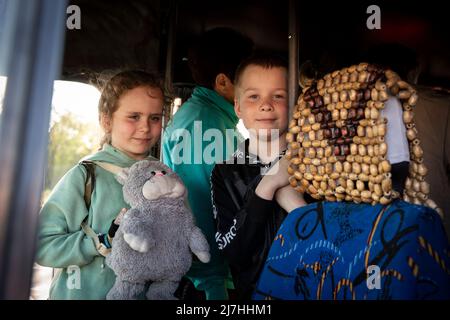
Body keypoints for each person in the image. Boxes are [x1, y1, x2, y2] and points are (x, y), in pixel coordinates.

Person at [36, 70, 166, 299]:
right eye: (133, 116)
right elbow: (42, 245)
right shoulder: (85, 176)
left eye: (154, 118)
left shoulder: (165, 179)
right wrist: (98, 243)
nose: (145, 127)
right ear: (106, 121)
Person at [162, 28, 253, 300]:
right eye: (249, 79)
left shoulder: (198, 116)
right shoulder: (208, 127)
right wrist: (215, 281)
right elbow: (201, 206)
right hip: (208, 282)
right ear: (223, 82)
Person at [211, 53, 307, 299]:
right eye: (254, 96)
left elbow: (332, 241)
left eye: (278, 96)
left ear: (296, 104)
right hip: (252, 296)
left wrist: (296, 205)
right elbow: (234, 252)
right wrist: (268, 186)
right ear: (237, 107)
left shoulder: (314, 163)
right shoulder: (224, 172)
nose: (266, 105)